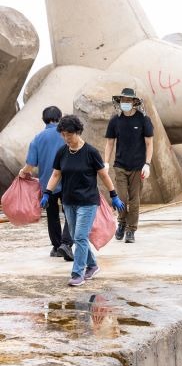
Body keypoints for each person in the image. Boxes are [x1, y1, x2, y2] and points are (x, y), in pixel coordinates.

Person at [41, 115, 125, 286]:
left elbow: (103, 175)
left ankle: (77, 273)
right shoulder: (62, 152)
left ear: (77, 132)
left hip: (88, 201)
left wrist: (114, 195)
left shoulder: (90, 152)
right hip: (68, 201)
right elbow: (56, 174)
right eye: (63, 134)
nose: (66, 138)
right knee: (75, 235)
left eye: (69, 135)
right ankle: (92, 265)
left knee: (79, 236)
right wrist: (47, 192)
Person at [19, 106, 75, 261]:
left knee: (52, 216)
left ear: (44, 119)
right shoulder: (66, 135)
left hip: (47, 185)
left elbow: (30, 164)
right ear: (60, 117)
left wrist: (23, 172)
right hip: (68, 181)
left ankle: (57, 247)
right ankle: (66, 244)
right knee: (70, 213)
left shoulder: (38, 138)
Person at [104, 88, 154, 244]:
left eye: (128, 100)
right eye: (123, 100)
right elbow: (109, 143)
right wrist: (105, 162)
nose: (125, 103)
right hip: (120, 165)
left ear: (134, 102)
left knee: (135, 200)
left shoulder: (143, 120)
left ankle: (131, 230)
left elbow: (149, 143)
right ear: (119, 101)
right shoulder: (115, 120)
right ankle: (122, 223)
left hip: (138, 167)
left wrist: (147, 164)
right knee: (122, 198)